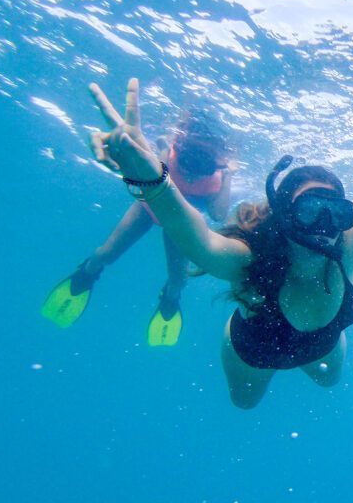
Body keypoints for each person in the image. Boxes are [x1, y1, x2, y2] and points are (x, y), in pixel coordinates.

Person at [86, 69, 353, 408]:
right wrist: (150, 177)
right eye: (308, 211)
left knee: (328, 380)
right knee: (244, 403)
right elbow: (194, 237)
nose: (324, 226)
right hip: (255, 350)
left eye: (335, 212)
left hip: (322, 343)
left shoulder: (351, 237)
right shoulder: (249, 260)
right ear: (285, 218)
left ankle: (311, 350)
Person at [42, 108, 232, 346]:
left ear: (218, 164)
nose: (192, 171)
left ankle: (170, 297)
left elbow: (219, 214)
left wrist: (227, 178)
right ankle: (88, 270)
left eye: (203, 164)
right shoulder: (167, 154)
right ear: (179, 147)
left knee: (178, 280)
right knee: (106, 253)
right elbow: (143, 173)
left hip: (180, 224)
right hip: (148, 208)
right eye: (188, 158)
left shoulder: (218, 179)